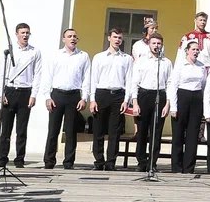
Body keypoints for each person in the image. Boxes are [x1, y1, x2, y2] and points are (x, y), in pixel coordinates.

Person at [41, 28, 90, 169]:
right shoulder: (55, 55)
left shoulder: (83, 56)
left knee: (71, 131)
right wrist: (47, 97)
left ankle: (69, 162)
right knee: (53, 131)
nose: (73, 38)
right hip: (57, 95)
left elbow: (87, 78)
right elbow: (47, 77)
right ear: (64, 39)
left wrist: (84, 97)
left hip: (74, 96)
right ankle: (49, 161)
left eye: (75, 36)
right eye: (69, 36)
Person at [0, 22, 42, 169]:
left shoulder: (35, 52)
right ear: (16, 34)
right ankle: (2, 158)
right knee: (6, 130)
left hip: (25, 92)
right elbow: (1, 73)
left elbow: (38, 74)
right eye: (22, 32)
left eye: (27, 33)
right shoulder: (9, 51)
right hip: (10, 90)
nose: (25, 35)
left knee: (21, 130)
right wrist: (1, 93)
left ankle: (19, 159)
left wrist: (34, 94)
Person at [127, 33, 171, 171]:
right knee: (142, 131)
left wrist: (168, 103)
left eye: (159, 43)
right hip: (144, 95)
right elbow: (134, 82)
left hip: (160, 95)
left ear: (162, 45)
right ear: (149, 45)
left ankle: (153, 162)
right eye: (154, 43)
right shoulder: (141, 61)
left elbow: (170, 83)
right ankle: (141, 161)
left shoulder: (166, 62)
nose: (156, 46)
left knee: (156, 132)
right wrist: (135, 102)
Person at [89, 28, 131, 171]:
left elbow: (129, 80)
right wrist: (92, 99)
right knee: (98, 130)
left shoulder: (127, 58)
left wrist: (126, 100)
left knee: (115, 131)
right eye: (115, 37)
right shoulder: (99, 57)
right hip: (101, 94)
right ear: (109, 38)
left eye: (119, 37)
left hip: (118, 95)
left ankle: (111, 162)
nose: (117, 40)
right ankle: (99, 161)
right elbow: (93, 79)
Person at [168, 38, 208, 173]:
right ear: (187, 51)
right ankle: (176, 166)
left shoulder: (201, 66)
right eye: (193, 49)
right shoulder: (180, 65)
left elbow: (203, 85)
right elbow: (173, 86)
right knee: (178, 134)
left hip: (196, 98)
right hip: (182, 96)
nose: (196, 52)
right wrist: (173, 107)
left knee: (193, 134)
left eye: (197, 49)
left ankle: (189, 167)